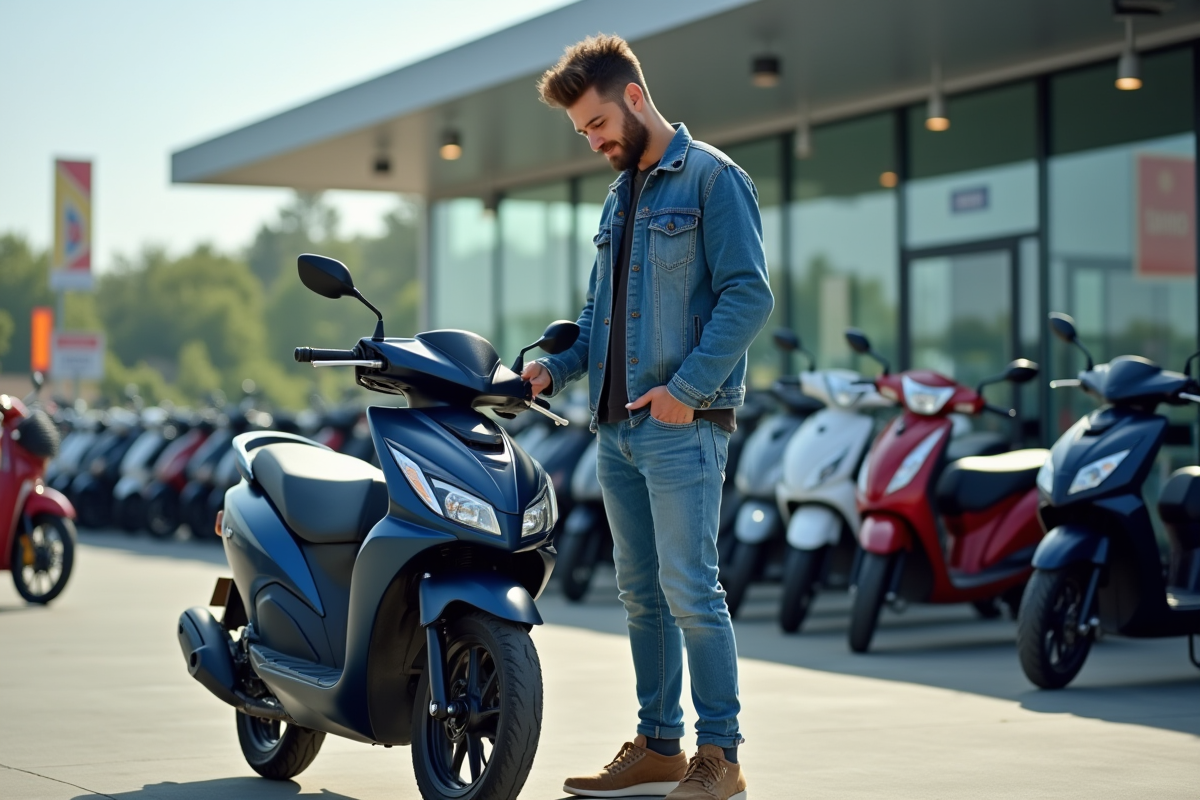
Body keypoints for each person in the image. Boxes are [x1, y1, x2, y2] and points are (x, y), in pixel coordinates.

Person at [522, 34, 773, 800]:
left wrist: (688, 388)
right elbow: (601, 315)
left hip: (681, 427)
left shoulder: (712, 180)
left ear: (634, 97)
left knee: (691, 589)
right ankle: (659, 744)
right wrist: (553, 369)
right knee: (641, 593)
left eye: (596, 123)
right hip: (616, 429)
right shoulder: (619, 194)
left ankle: (719, 756)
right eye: (581, 133)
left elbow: (747, 296)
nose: (593, 141)